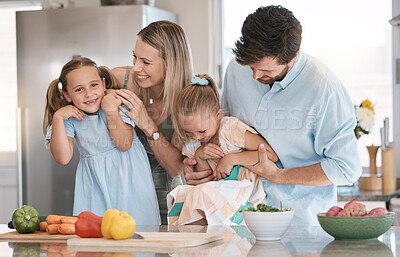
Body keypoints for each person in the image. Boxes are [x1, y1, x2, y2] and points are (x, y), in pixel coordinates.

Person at [184, 6, 362, 226]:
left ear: (293, 56)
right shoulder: (236, 71)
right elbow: (223, 135)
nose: (255, 75)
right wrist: (199, 163)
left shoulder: (323, 89)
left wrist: (278, 175)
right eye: (251, 66)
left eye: (266, 71)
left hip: (300, 224)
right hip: (239, 220)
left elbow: (346, 168)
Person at [43, 57, 160, 225]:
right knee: (95, 239)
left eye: (94, 85)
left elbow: (124, 144)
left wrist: (111, 110)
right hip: (94, 188)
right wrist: (58, 118)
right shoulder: (68, 119)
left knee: (136, 235)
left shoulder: (116, 104)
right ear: (66, 95)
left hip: (130, 185)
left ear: (104, 84)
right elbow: (62, 158)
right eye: (79, 89)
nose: (89, 94)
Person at [167, 74, 278, 225]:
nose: (196, 137)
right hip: (218, 191)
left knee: (201, 195)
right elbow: (204, 181)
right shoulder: (193, 143)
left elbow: (270, 155)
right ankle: (195, 240)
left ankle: (202, 239)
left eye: (202, 131)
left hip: (243, 193)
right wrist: (200, 156)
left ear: (218, 115)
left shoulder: (229, 129)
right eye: (188, 132)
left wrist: (231, 159)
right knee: (183, 194)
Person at [112, 20, 193, 224]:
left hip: (162, 204)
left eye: (146, 62)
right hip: (117, 197)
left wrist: (147, 124)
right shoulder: (120, 79)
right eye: (134, 57)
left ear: (171, 63)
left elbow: (175, 168)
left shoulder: (186, 101)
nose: (136, 67)